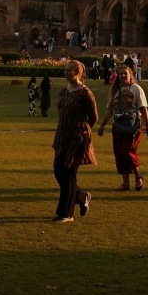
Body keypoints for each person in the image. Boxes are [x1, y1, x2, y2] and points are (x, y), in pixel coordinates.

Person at [51, 60, 97, 222]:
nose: (66, 73)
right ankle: (81, 196)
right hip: (63, 134)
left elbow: (93, 117)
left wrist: (82, 131)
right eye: (65, 70)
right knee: (59, 171)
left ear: (78, 72)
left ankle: (66, 213)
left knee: (68, 172)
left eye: (70, 70)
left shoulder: (85, 93)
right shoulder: (64, 90)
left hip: (77, 137)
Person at [100, 65, 148, 191]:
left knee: (127, 151)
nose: (123, 76)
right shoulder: (116, 90)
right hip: (118, 125)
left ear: (130, 75)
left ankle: (138, 176)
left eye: (125, 73)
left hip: (132, 126)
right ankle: (125, 183)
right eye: (121, 74)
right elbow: (110, 110)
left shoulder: (136, 89)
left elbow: (143, 107)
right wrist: (102, 125)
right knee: (119, 154)